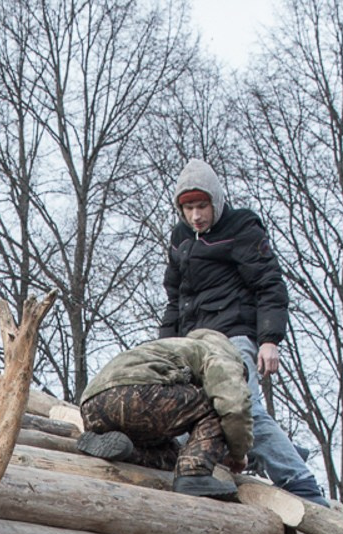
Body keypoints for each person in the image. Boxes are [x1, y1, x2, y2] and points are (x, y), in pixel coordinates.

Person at [158, 160, 327, 505]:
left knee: (241, 407)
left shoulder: (241, 228)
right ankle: (267, 453)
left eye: (202, 206)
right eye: (188, 209)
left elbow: (269, 285)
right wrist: (163, 352)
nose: (196, 216)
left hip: (232, 337)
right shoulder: (180, 239)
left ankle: (302, 484)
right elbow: (175, 301)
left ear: (216, 201)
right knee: (182, 417)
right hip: (192, 345)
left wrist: (269, 340)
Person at [75, 329, 255, 498]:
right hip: (136, 393)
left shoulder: (176, 348)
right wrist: (238, 454)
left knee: (174, 456)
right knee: (218, 405)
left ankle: (127, 450)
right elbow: (235, 407)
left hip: (91, 407)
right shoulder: (220, 354)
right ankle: (195, 474)